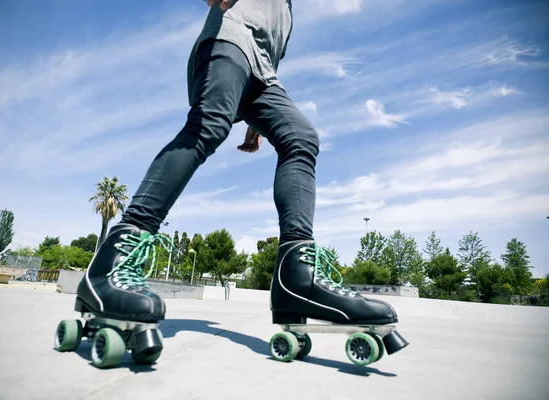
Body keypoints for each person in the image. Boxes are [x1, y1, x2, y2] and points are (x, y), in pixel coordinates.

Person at [75, 0, 404, 346]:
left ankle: (297, 278)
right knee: (209, 125)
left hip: (263, 74)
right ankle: (112, 261)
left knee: (300, 138)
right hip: (228, 40)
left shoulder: (288, 12)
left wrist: (253, 118)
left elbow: (268, 48)